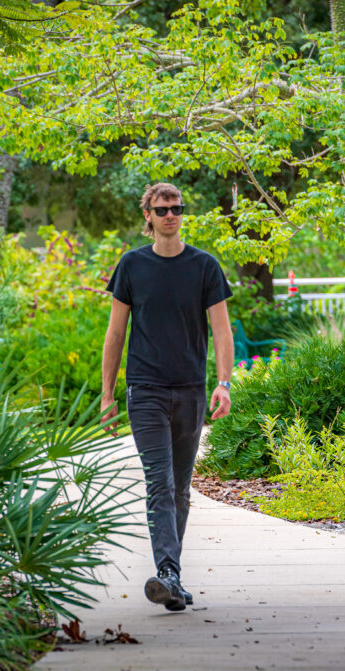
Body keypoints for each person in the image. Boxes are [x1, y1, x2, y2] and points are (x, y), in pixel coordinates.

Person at [101, 182, 234, 612]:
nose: (171, 215)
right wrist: (108, 393)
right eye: (162, 210)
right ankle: (169, 573)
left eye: (177, 208)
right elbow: (116, 332)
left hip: (192, 391)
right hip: (146, 391)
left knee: (180, 490)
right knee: (159, 483)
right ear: (149, 217)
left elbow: (221, 330)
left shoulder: (205, 267)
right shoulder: (132, 266)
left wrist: (224, 382)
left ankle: (171, 579)